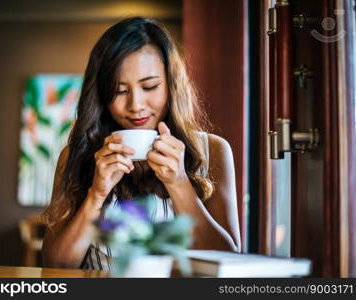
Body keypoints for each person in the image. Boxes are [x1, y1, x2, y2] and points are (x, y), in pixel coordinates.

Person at [42, 17, 241, 270]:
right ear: (102, 95)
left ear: (171, 85)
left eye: (150, 86)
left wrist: (179, 183)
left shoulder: (213, 151)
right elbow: (54, 266)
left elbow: (229, 263)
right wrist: (97, 194)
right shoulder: (77, 154)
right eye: (120, 90)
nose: (135, 105)